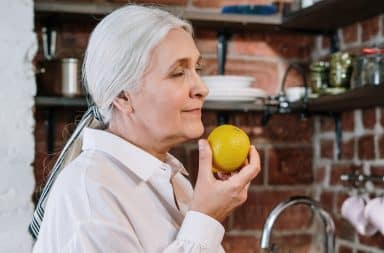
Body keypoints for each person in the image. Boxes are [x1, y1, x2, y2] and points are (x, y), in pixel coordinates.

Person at [30, 4, 260, 253]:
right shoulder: (90, 192)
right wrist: (206, 217)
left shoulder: (175, 180)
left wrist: (207, 214)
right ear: (123, 96)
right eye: (178, 72)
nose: (202, 88)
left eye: (197, 69)